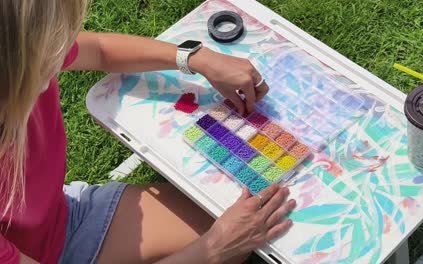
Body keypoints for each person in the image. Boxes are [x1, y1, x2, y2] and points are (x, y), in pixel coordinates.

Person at [0, 1, 296, 264]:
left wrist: (197, 59)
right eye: (47, 65)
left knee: (229, 226)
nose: (60, 57)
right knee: (229, 244)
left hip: (61, 221)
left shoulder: (23, 55)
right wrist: (214, 248)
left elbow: (100, 49)